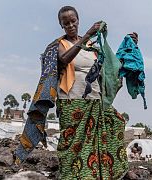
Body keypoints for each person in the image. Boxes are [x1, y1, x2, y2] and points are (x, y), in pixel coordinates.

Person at [15, 5, 138, 180]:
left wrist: (129, 45)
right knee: (72, 142)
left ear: (78, 20)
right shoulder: (59, 45)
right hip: (72, 101)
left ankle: (111, 172)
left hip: (95, 99)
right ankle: (72, 175)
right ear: (61, 25)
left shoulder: (91, 46)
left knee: (115, 124)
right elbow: (64, 59)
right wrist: (87, 34)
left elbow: (110, 66)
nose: (71, 25)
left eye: (73, 21)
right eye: (66, 23)